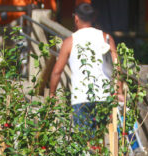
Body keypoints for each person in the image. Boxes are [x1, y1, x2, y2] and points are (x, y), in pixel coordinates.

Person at [49, 3, 123, 133]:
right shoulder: (106, 38)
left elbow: (56, 72)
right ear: (93, 18)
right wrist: (120, 91)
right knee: (103, 139)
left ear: (76, 18)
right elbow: (117, 66)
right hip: (104, 96)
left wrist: (52, 94)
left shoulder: (70, 41)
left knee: (83, 143)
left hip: (81, 98)